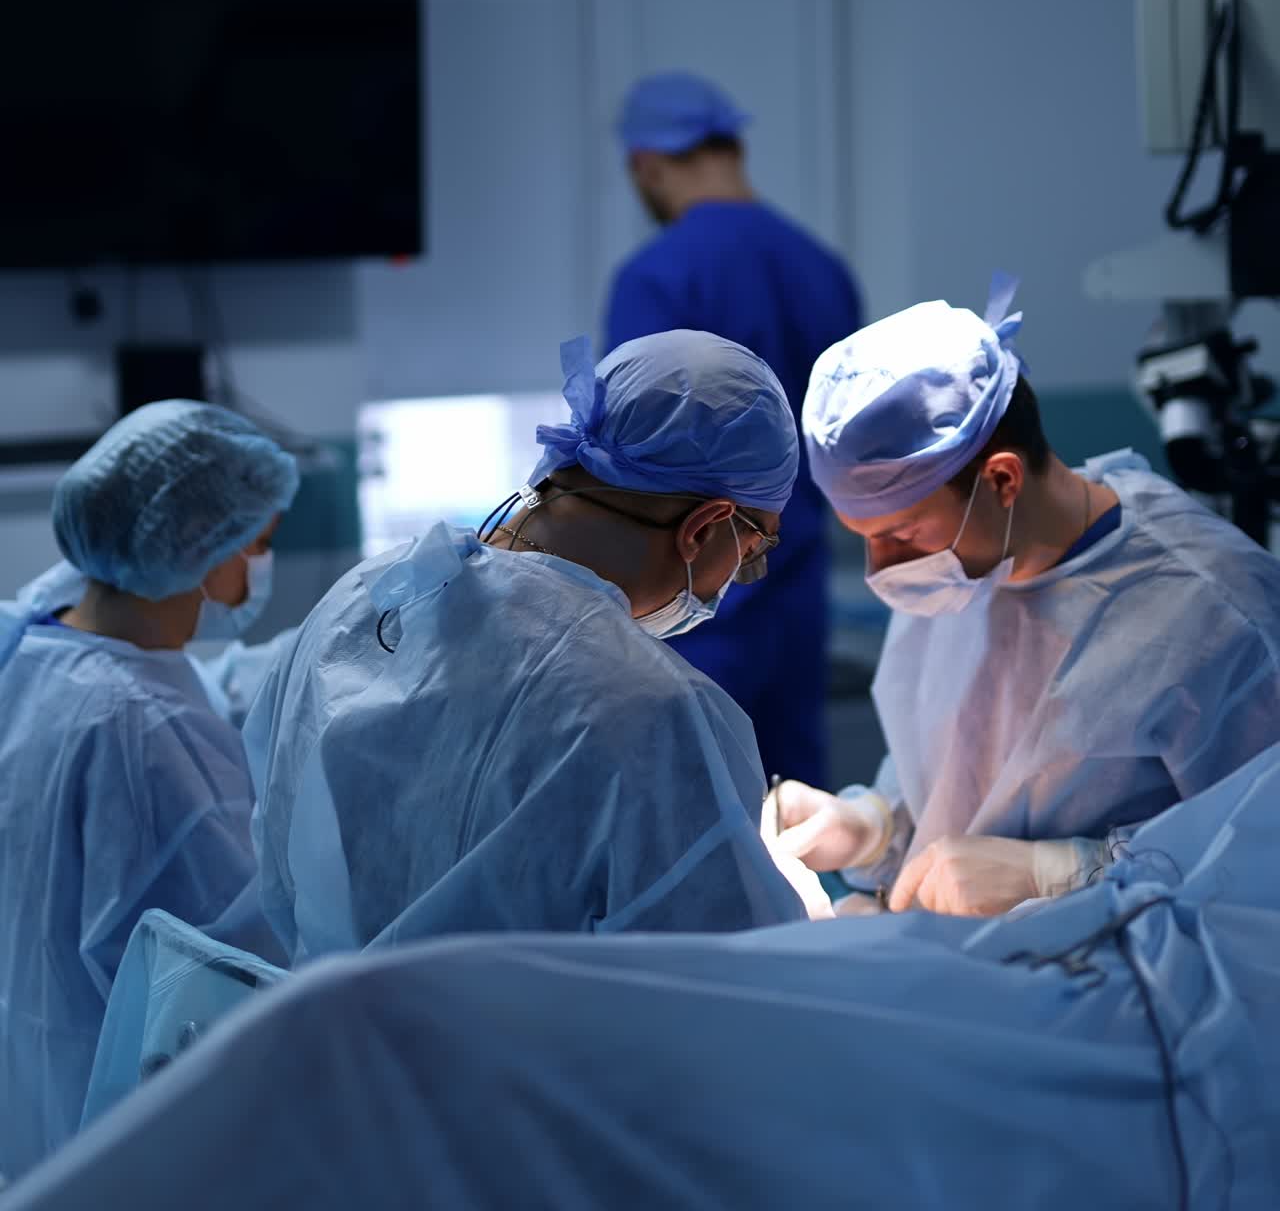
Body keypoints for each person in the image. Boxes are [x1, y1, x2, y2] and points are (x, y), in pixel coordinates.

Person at [10, 738, 1280, 1209]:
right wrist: (890, 828)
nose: (893, 558)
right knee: (370, 1044)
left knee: (374, 1047)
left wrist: (1064, 869)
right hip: (1027, 1003)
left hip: (1122, 1063)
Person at [243, 330, 809, 965]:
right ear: (704, 528)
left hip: (318, 1022)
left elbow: (279, 851)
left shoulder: (367, 595)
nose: (735, 579)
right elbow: (732, 977)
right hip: (525, 1036)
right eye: (751, 550)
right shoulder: (652, 709)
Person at [775, 277, 1280, 917]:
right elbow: (960, 783)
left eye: (899, 534)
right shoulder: (959, 572)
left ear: (1002, 480)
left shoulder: (1216, 614)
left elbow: (1259, 865)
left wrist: (1068, 874)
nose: (883, 569)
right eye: (864, 538)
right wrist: (872, 825)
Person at [0, 399, 298, 1181]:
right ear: (202, 541)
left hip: (28, 1107)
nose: (259, 565)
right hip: (112, 1136)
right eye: (259, 541)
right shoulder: (146, 733)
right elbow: (233, 970)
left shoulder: (32, 649)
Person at [606, 71, 863, 788]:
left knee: (688, 801)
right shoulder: (823, 269)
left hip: (697, 598)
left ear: (645, 165)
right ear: (734, 147)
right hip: (796, 589)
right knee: (795, 809)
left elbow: (631, 458)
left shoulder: (658, 277)